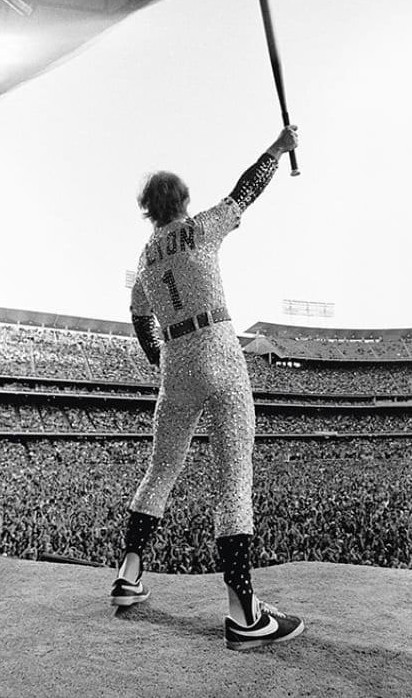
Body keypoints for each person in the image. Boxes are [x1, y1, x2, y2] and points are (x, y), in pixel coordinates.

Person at [110, 125, 304, 650]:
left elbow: (139, 319)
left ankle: (128, 575)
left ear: (148, 211)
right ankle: (244, 614)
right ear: (183, 201)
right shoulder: (200, 229)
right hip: (217, 347)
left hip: (175, 362)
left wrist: (161, 360)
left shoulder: (144, 261)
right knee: (233, 478)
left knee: (160, 470)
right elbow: (246, 191)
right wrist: (277, 149)